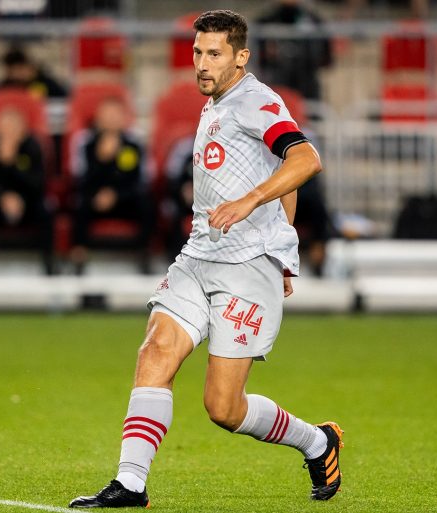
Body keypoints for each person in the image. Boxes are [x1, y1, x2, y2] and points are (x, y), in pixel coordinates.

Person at [69, 10, 342, 509]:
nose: (202, 63)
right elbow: (281, 168)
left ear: (241, 58)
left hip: (246, 268)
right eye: (197, 52)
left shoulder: (257, 101)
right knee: (155, 351)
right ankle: (130, 483)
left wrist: (257, 214)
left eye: (214, 54)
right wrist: (278, 231)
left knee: (224, 407)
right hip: (199, 255)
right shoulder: (215, 104)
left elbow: (304, 160)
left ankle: (317, 441)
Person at [69, 96, 154, 274]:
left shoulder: (135, 143)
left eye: (115, 115)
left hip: (125, 199)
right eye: (106, 116)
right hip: (94, 198)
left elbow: (142, 180)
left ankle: (144, 253)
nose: (111, 120)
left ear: (124, 118)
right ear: (98, 118)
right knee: (77, 201)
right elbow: (79, 178)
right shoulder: (85, 143)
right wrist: (101, 161)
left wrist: (115, 195)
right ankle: (79, 254)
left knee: (147, 202)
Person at [0, 107, 53, 275]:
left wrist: (12, 164)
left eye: (14, 128)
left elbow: (38, 185)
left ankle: (48, 264)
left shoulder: (32, 147)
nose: (9, 133)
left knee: (46, 210)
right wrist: (2, 197)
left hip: (26, 205)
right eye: (4, 129)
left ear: (23, 130)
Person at [255, 0, 332, 101]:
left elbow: (326, 56)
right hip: (277, 79)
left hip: (307, 80)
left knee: (311, 109)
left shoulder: (313, 20)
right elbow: (260, 55)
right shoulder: (266, 21)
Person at [0, 46, 68, 100]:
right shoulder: (5, 87)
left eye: (21, 68)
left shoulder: (46, 83)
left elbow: (64, 98)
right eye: (15, 70)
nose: (19, 74)